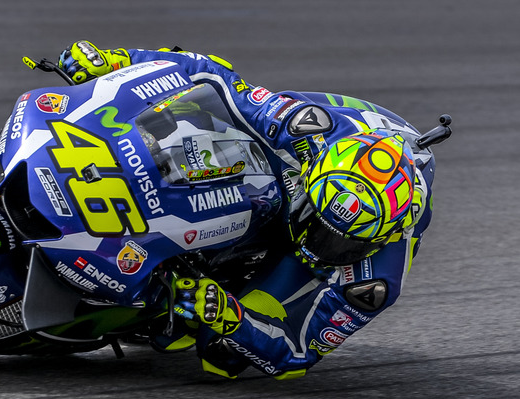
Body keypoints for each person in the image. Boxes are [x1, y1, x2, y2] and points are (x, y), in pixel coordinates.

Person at [57, 41, 436, 379]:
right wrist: (115, 61)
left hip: (324, 202)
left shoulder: (373, 282)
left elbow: (297, 352)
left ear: (385, 238)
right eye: (317, 224)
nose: (320, 243)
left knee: (220, 357)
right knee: (180, 124)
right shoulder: (304, 130)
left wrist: (228, 316)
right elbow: (212, 74)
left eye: (342, 242)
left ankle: (168, 296)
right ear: (311, 179)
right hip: (285, 161)